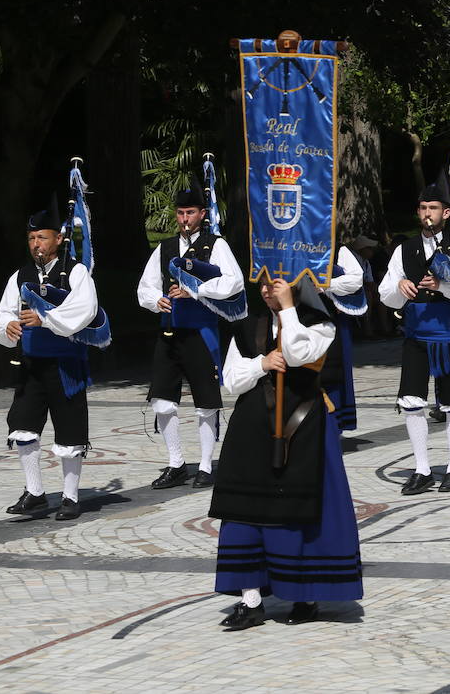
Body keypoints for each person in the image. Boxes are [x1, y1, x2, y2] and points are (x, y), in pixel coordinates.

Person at [210, 277, 361, 630]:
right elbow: (231, 380)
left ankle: (304, 595)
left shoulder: (320, 323)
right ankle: (250, 601)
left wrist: (289, 310)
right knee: (243, 509)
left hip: (302, 424)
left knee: (296, 511)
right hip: (252, 426)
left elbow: (297, 353)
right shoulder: (248, 325)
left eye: (276, 283)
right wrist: (261, 365)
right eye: (263, 284)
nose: (267, 290)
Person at [0, 202, 107, 521]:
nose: (36, 244)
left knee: (69, 431)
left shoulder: (76, 272)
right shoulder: (21, 275)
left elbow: (85, 311)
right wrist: (8, 327)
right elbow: (3, 315)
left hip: (66, 364)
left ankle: (70, 497)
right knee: (23, 426)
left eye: (42, 237)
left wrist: (46, 320)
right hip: (31, 365)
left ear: (58, 239)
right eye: (31, 239)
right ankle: (35, 492)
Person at [378, 183, 450, 495]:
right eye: (423, 208)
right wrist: (398, 287)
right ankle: (422, 469)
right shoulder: (404, 249)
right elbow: (385, 294)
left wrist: (444, 287)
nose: (428, 214)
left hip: (448, 336)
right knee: (411, 402)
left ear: (447, 213)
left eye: (434, 209)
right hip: (415, 334)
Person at [136, 182, 245, 490]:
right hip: (169, 332)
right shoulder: (166, 247)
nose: (185, 219)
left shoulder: (215, 244)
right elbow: (145, 286)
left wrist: (197, 291)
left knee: (206, 402)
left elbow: (233, 282)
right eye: (181, 213)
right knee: (162, 401)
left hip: (201, 332)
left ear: (202, 214)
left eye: (191, 213)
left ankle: (207, 466)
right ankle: (176, 463)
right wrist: (156, 300)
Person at [318, 244, 367, 432]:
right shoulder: (288, 246)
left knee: (333, 370)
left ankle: (333, 425)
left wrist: (325, 284)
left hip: (332, 317)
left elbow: (356, 279)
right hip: (300, 314)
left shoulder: (338, 249)